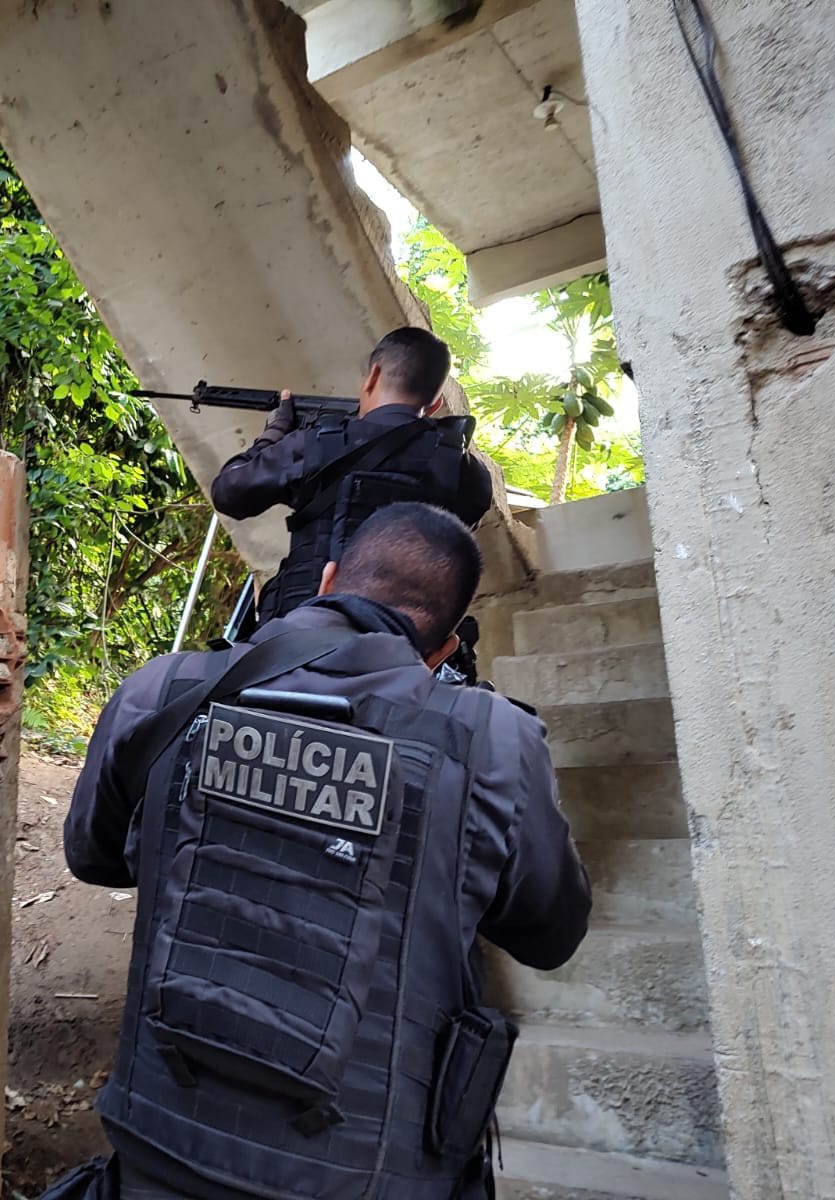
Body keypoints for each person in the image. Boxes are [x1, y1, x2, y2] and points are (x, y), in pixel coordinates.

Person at [46, 503, 590, 1200]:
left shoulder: (168, 688)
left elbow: (93, 856)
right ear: (447, 647)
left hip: (157, 1151)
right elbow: (552, 933)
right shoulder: (490, 741)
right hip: (368, 1177)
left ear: (327, 580)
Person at [210, 327, 493, 628]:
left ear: (372, 376)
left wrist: (274, 432)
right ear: (434, 405)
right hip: (398, 639)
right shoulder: (465, 470)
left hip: (301, 630)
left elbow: (229, 493)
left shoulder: (317, 443)